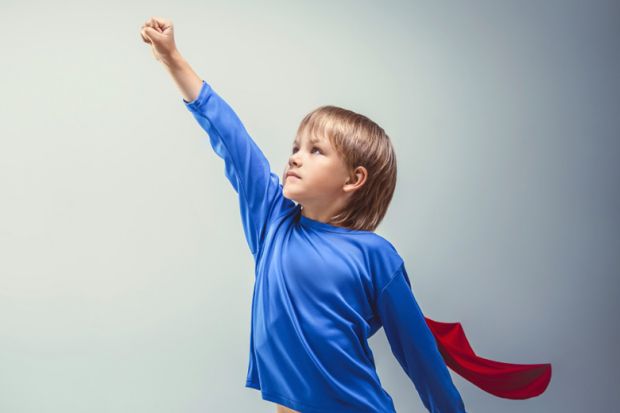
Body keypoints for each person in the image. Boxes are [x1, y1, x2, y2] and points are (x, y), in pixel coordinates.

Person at [140, 17, 551, 413]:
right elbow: (231, 138)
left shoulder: (374, 255)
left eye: (316, 150)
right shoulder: (272, 222)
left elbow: (420, 355)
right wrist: (173, 59)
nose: (295, 158)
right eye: (296, 147)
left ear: (354, 178)